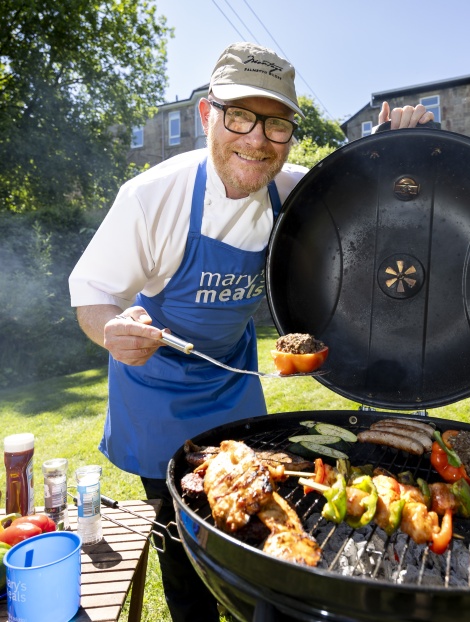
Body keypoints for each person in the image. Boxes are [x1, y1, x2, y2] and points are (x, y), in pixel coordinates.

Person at [68, 41, 434, 622]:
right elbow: (91, 292)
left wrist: (396, 142)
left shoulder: (285, 189)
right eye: (239, 116)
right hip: (154, 386)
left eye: (277, 124)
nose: (257, 140)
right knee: (184, 550)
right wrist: (110, 329)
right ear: (206, 115)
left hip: (231, 381)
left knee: (259, 532)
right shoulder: (151, 198)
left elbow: (361, 186)